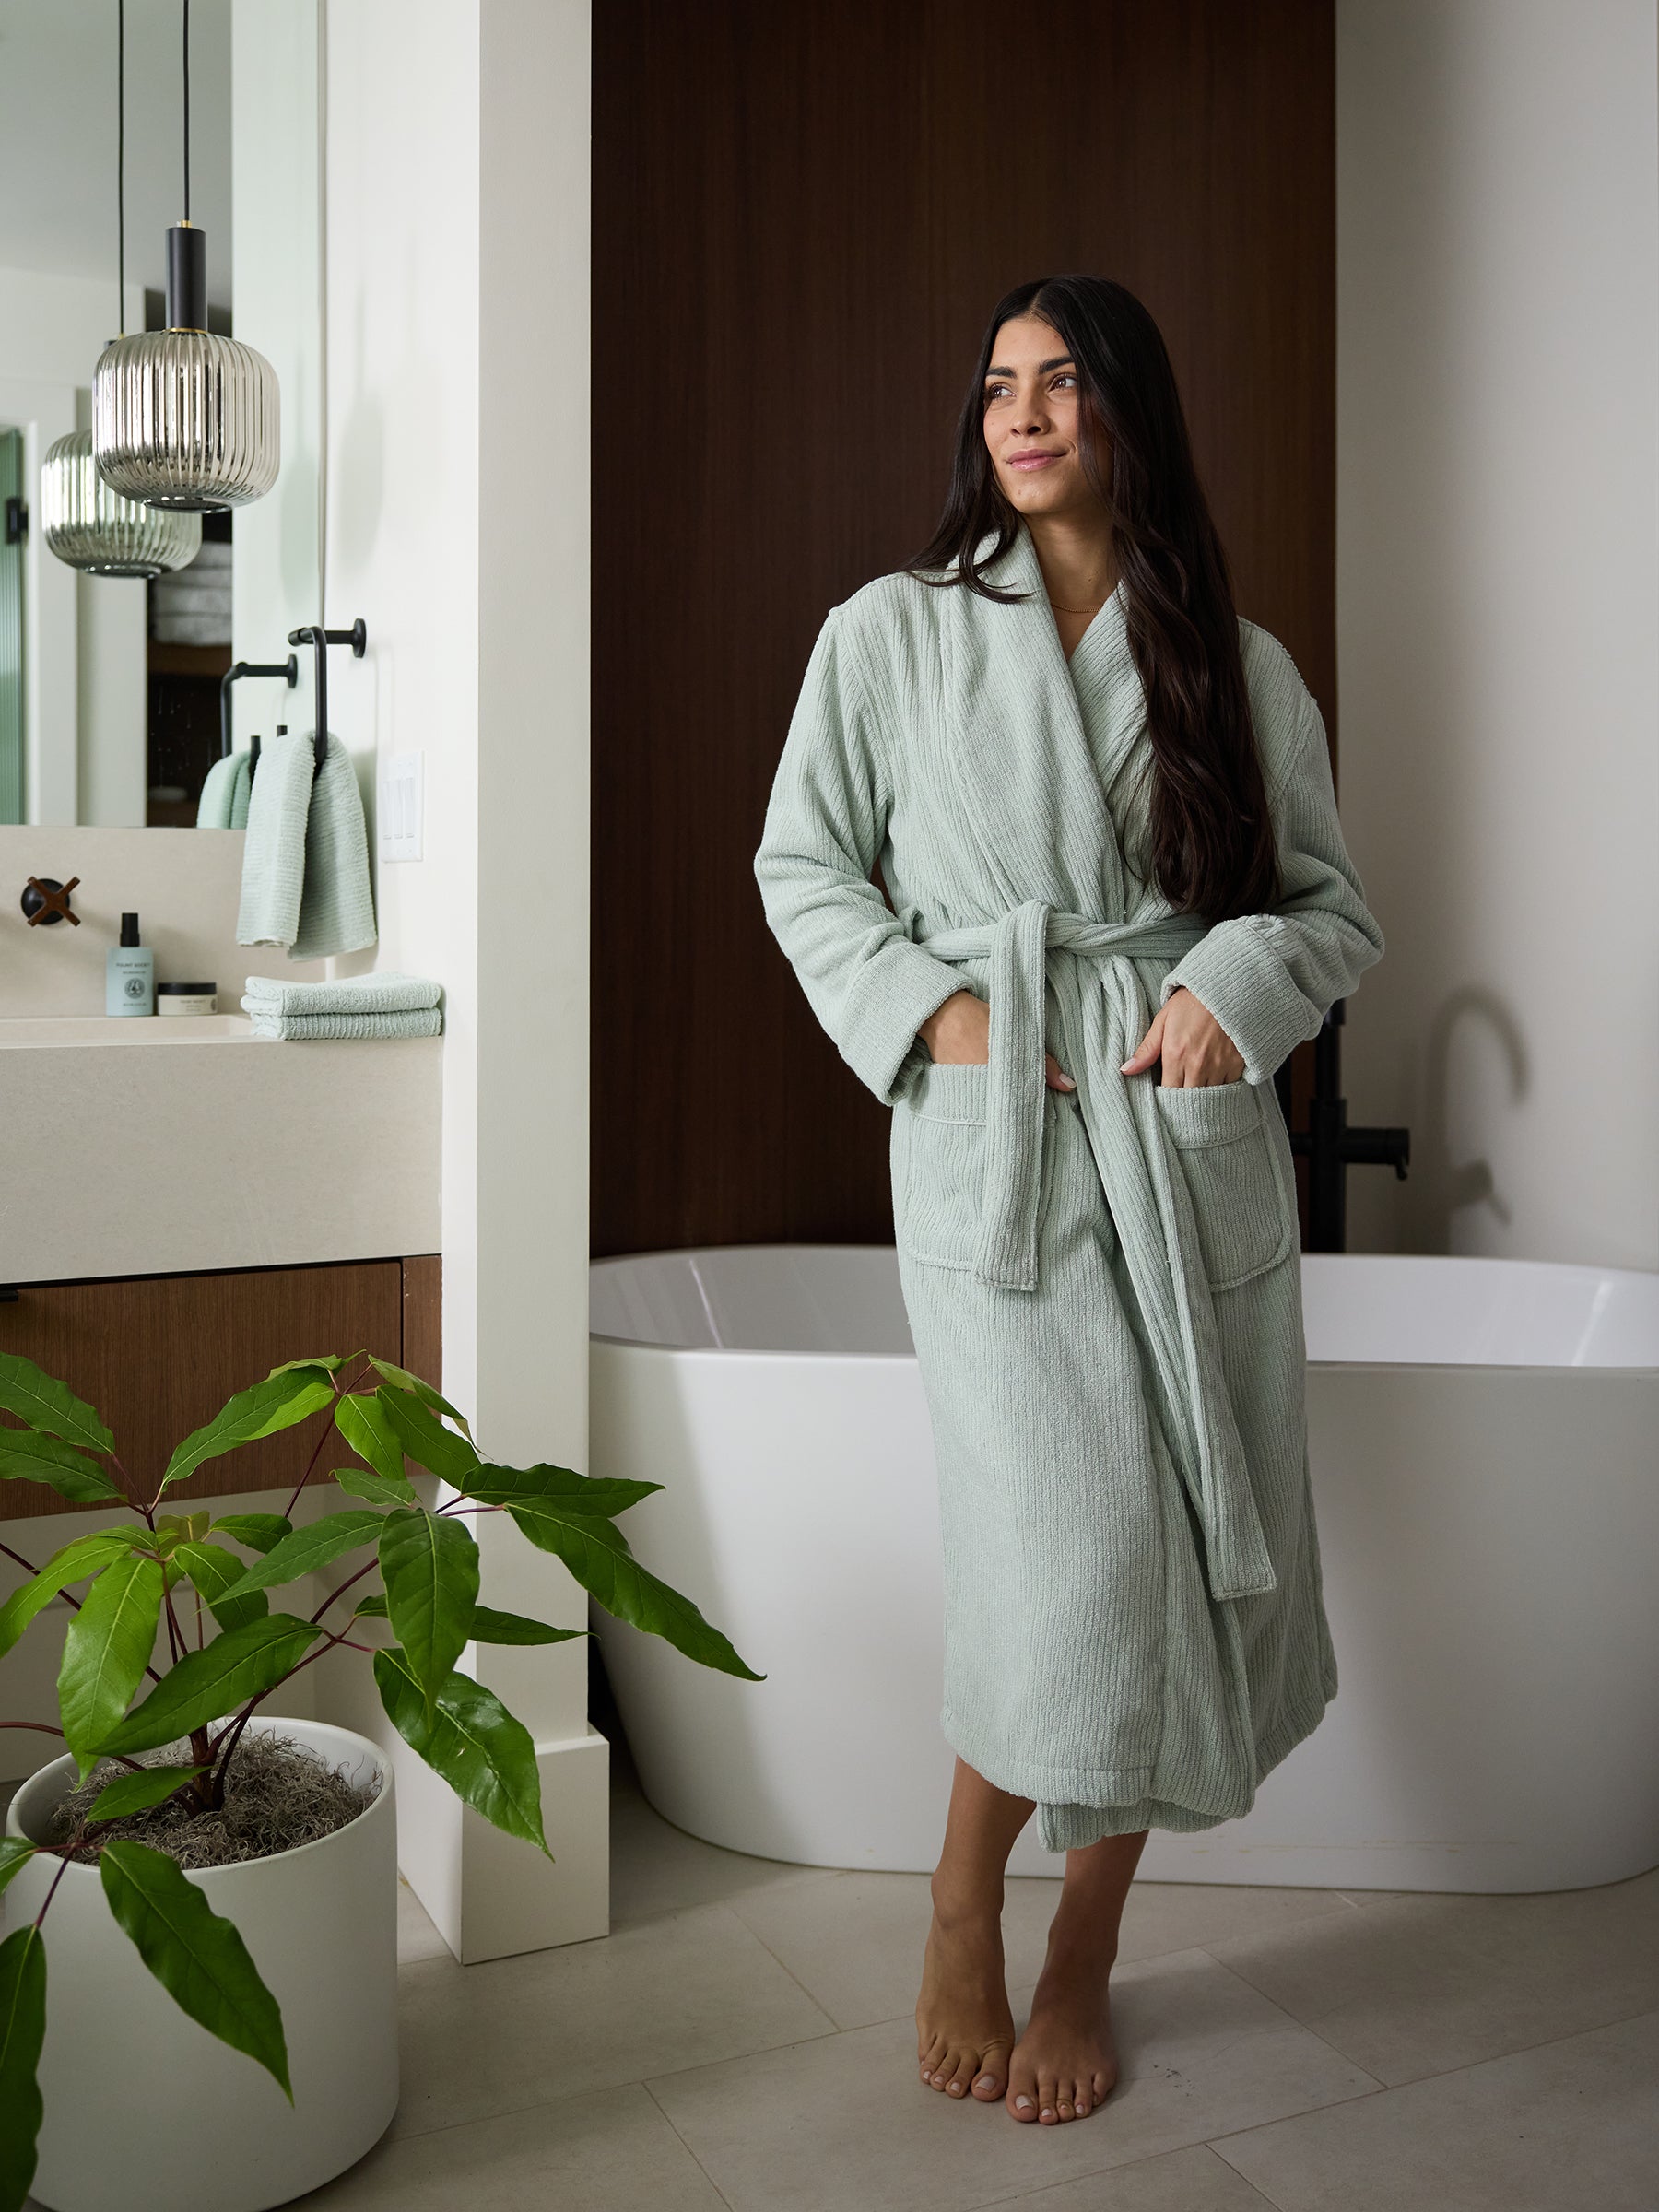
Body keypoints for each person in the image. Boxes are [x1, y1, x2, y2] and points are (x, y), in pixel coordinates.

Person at [752, 274, 1383, 2131]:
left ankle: (1085, 1948)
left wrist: (1232, 997)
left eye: (1062, 382)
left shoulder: (1236, 665)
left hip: (1181, 1146)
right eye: (999, 385)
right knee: (1071, 1569)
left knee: (1177, 1563)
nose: (1021, 412)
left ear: (1129, 414)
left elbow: (1330, 909)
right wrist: (938, 1011)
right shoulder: (891, 636)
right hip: (1001, 1139)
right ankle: (965, 1901)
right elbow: (803, 862)